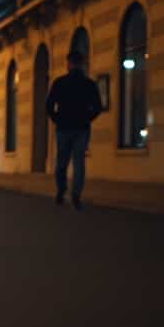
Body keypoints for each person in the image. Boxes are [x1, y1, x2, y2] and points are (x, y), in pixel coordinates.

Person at [46, 50, 103, 210]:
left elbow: (49, 105)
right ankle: (76, 195)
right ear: (82, 64)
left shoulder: (60, 82)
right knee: (79, 163)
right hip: (81, 128)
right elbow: (97, 107)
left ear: (68, 64)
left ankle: (61, 190)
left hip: (63, 127)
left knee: (61, 162)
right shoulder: (89, 84)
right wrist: (87, 118)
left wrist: (57, 118)